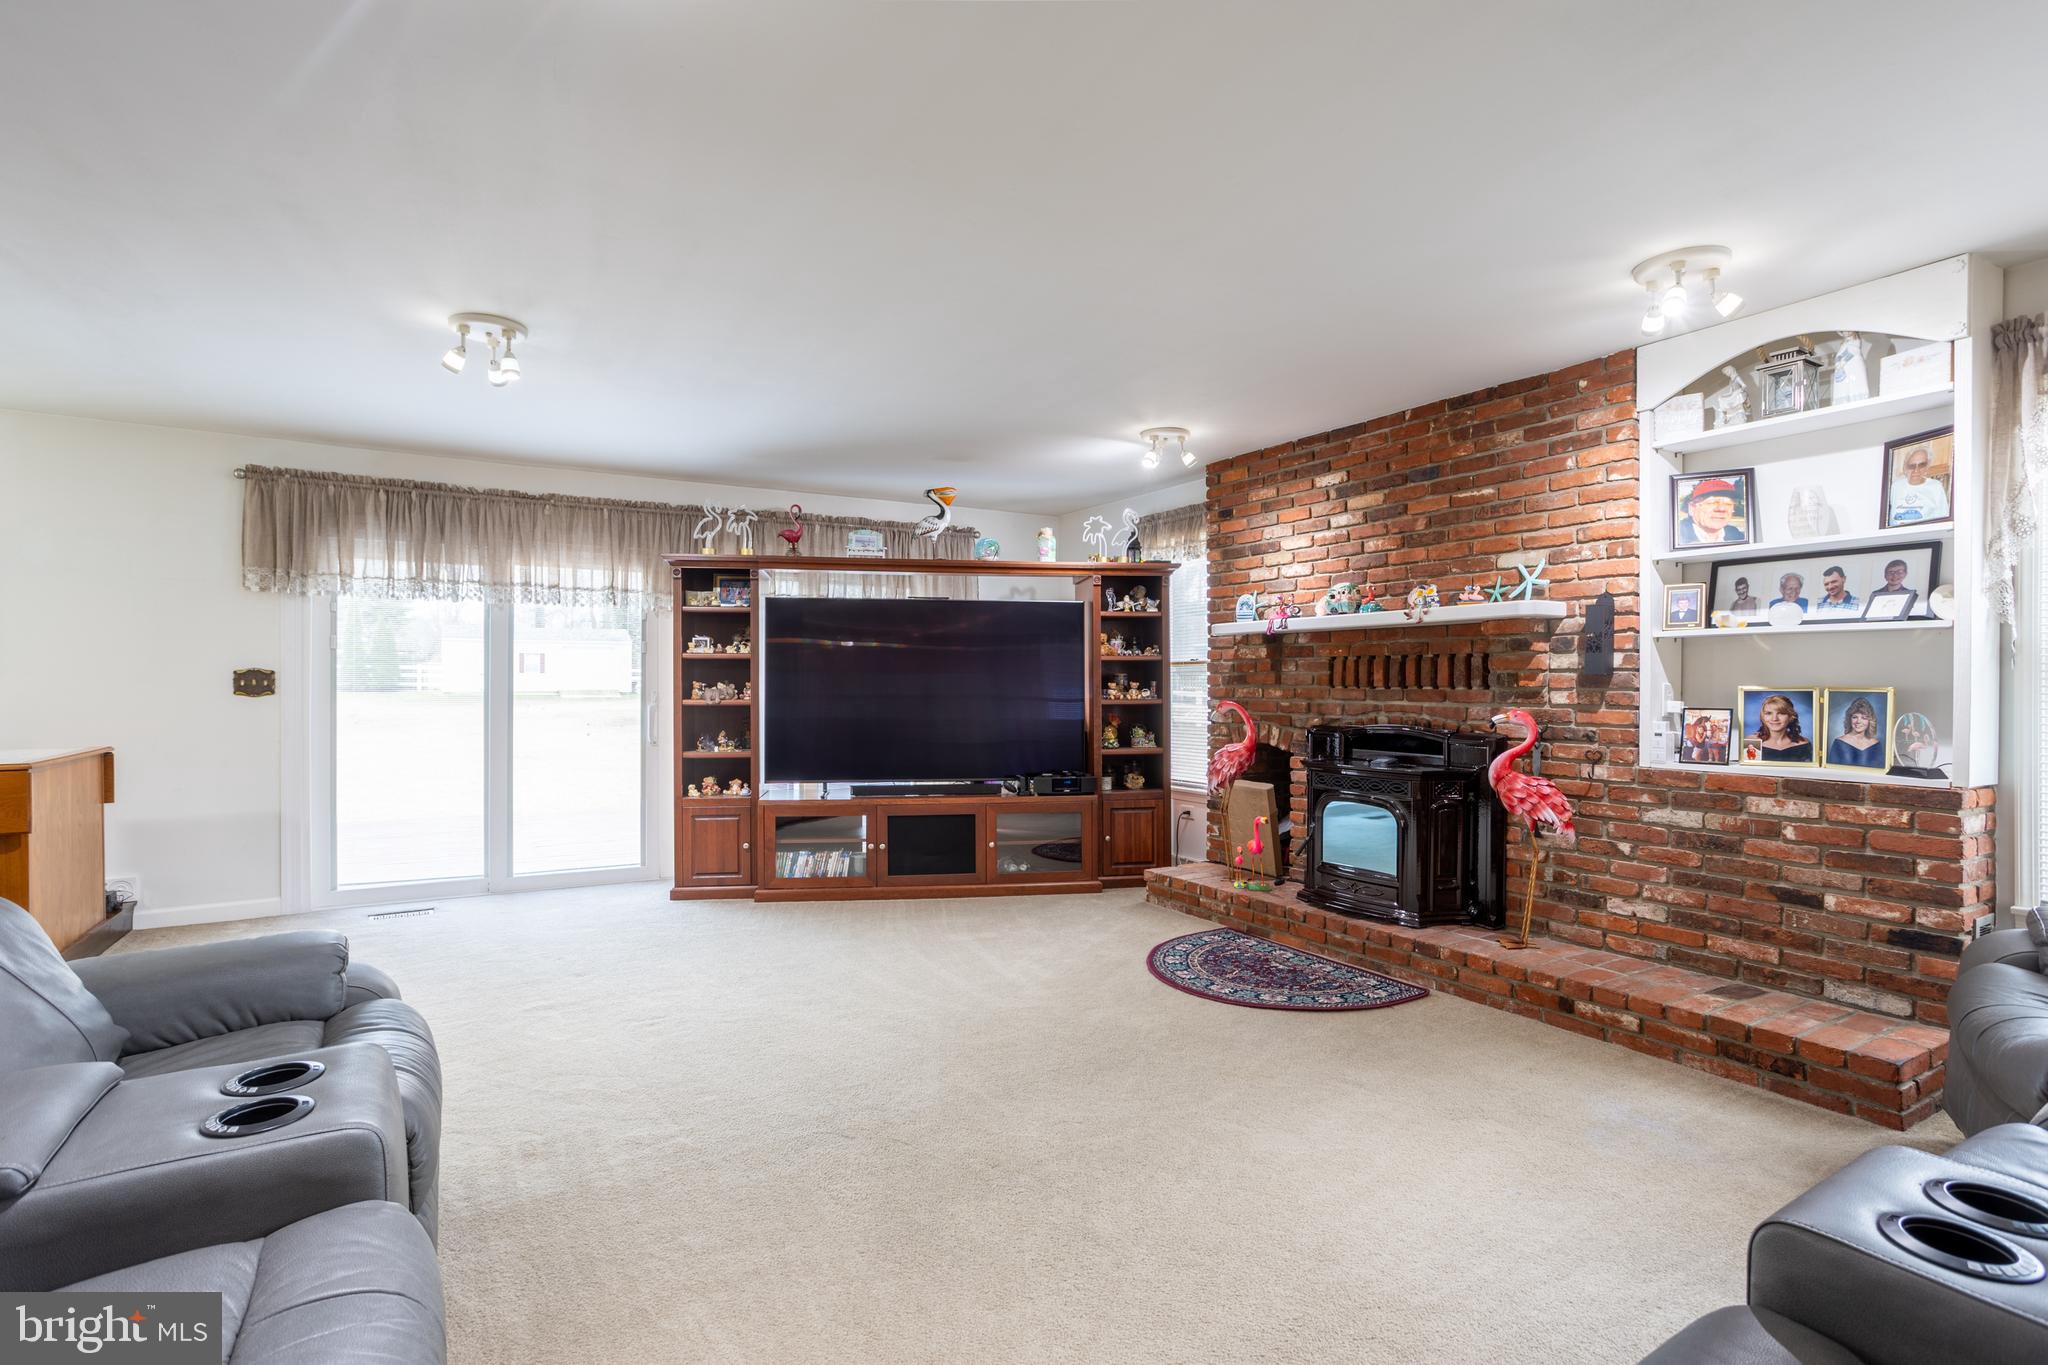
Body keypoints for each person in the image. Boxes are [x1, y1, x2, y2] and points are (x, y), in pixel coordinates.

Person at [1888, 443, 1951, 524]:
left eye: (1922, 465)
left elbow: (1944, 519)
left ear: (1927, 466)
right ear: (1905, 467)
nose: (1916, 470)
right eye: (1912, 466)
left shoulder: (1936, 487)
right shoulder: (1896, 486)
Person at [1677, 478, 1747, 545]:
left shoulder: (1738, 536)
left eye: (1728, 504)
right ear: (1692, 508)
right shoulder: (1678, 536)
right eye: (1712, 502)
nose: (1722, 509)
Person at [1749, 693, 1813, 763]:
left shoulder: (1803, 744)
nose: (1774, 719)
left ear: (1791, 717)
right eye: (1769, 713)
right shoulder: (1752, 742)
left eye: (1781, 713)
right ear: (1763, 717)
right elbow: (1748, 772)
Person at [1827, 696, 1885, 768]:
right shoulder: (1839, 743)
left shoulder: (1876, 744)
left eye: (1864, 718)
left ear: (1870, 721)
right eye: (1855, 717)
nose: (1858, 721)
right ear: (1849, 719)